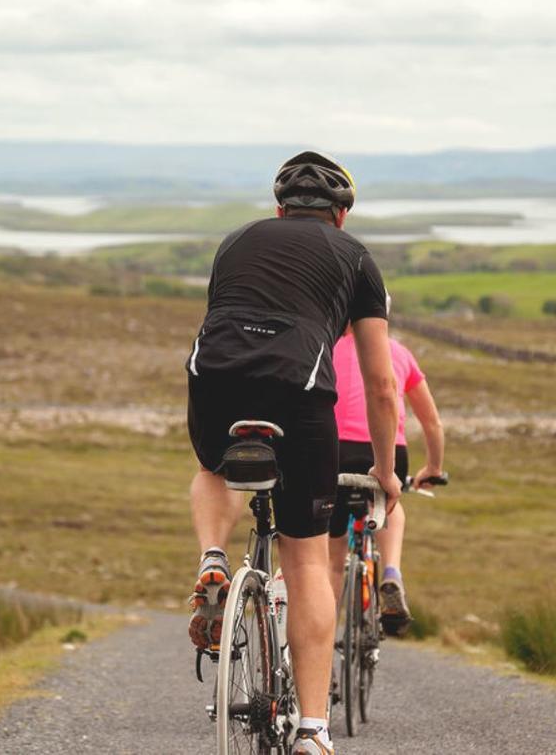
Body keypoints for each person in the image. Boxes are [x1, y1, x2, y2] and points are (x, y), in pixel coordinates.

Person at [185, 150, 400, 755]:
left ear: (279, 208)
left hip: (215, 376)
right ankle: (312, 729)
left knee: (211, 468)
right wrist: (384, 471)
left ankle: (212, 559)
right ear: (341, 215)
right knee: (306, 562)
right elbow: (382, 386)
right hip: (300, 390)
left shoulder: (236, 241)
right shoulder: (356, 257)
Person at [327, 313, 445, 636]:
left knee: (331, 559)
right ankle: (391, 572)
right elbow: (432, 423)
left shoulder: (327, 346)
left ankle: (321, 642)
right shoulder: (399, 353)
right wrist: (433, 468)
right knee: (390, 504)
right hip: (387, 448)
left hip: (333, 449)